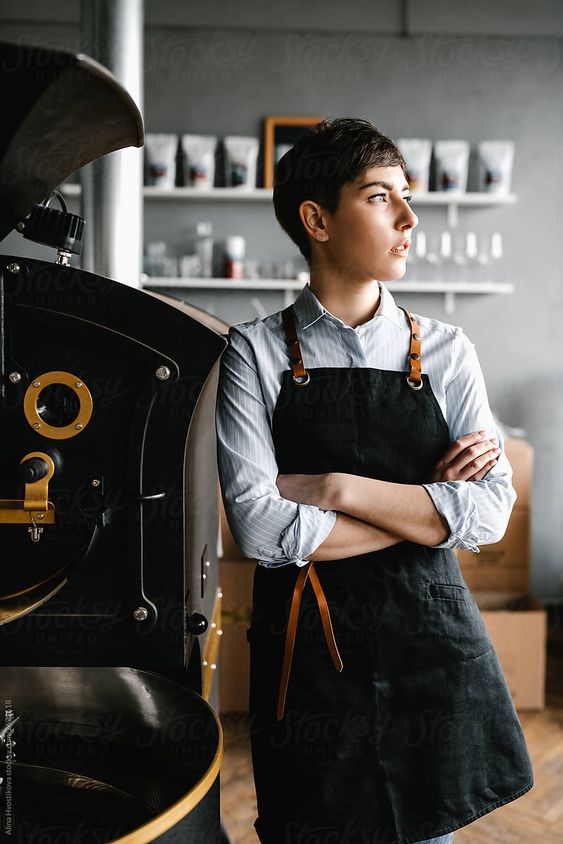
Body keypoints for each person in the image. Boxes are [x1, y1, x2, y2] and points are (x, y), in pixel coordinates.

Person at [215, 118, 534, 844]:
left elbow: (486, 517)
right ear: (316, 219)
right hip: (308, 666)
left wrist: (334, 488)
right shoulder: (253, 355)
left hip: (430, 652)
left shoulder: (448, 352)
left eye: (407, 196)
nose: (408, 218)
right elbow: (261, 530)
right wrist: (424, 509)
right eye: (380, 196)